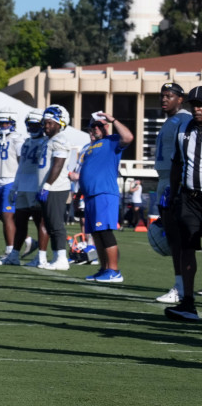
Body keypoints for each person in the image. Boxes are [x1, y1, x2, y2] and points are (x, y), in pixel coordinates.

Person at [70, 112, 132, 283]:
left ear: (105, 127)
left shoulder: (112, 141)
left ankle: (114, 270)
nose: (95, 129)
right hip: (90, 196)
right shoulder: (89, 147)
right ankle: (104, 268)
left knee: (104, 231)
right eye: (93, 126)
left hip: (104, 193)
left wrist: (113, 120)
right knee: (96, 234)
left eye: (99, 126)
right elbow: (85, 174)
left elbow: (128, 137)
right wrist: (77, 196)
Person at [153, 82, 193, 304]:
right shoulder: (171, 120)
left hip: (174, 181)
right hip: (164, 179)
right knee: (173, 237)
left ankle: (180, 287)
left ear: (180, 98)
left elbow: (185, 155)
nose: (163, 99)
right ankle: (179, 285)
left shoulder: (184, 119)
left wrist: (176, 187)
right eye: (162, 96)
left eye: (169, 96)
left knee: (179, 239)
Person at [165, 86, 202, 322]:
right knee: (187, 248)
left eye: (201, 105)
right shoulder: (183, 130)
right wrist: (172, 194)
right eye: (194, 105)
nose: (197, 109)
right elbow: (177, 164)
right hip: (189, 198)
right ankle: (188, 302)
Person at [0, 111, 51, 266]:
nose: (32, 128)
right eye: (30, 125)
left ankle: (41, 257)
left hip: (36, 187)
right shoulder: (27, 142)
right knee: (20, 222)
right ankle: (14, 255)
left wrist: (45, 186)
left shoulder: (46, 142)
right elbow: (21, 166)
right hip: (22, 186)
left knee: (40, 222)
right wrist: (15, 187)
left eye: (35, 125)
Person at [33, 105, 74, 271]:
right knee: (50, 223)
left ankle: (62, 258)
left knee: (56, 224)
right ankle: (57, 256)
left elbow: (58, 164)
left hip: (56, 188)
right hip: (48, 187)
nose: (46, 126)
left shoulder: (60, 140)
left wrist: (48, 185)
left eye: (50, 123)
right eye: (45, 122)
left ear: (60, 123)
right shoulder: (48, 140)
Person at [0, 110, 26, 262]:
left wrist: (20, 183)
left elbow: (22, 162)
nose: (3, 125)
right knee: (0, 215)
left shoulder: (17, 140)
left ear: (12, 123)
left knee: (7, 215)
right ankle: (28, 240)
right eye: (1, 123)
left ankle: (11, 252)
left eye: (6, 122)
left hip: (11, 180)